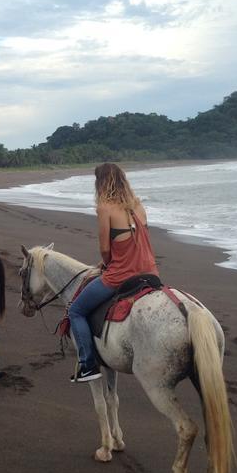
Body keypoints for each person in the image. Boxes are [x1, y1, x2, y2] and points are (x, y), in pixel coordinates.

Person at [68, 162, 159, 382]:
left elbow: (105, 249)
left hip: (121, 276)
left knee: (76, 311)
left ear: (100, 183)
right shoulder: (138, 206)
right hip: (151, 274)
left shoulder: (105, 208)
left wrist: (107, 264)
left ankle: (88, 365)